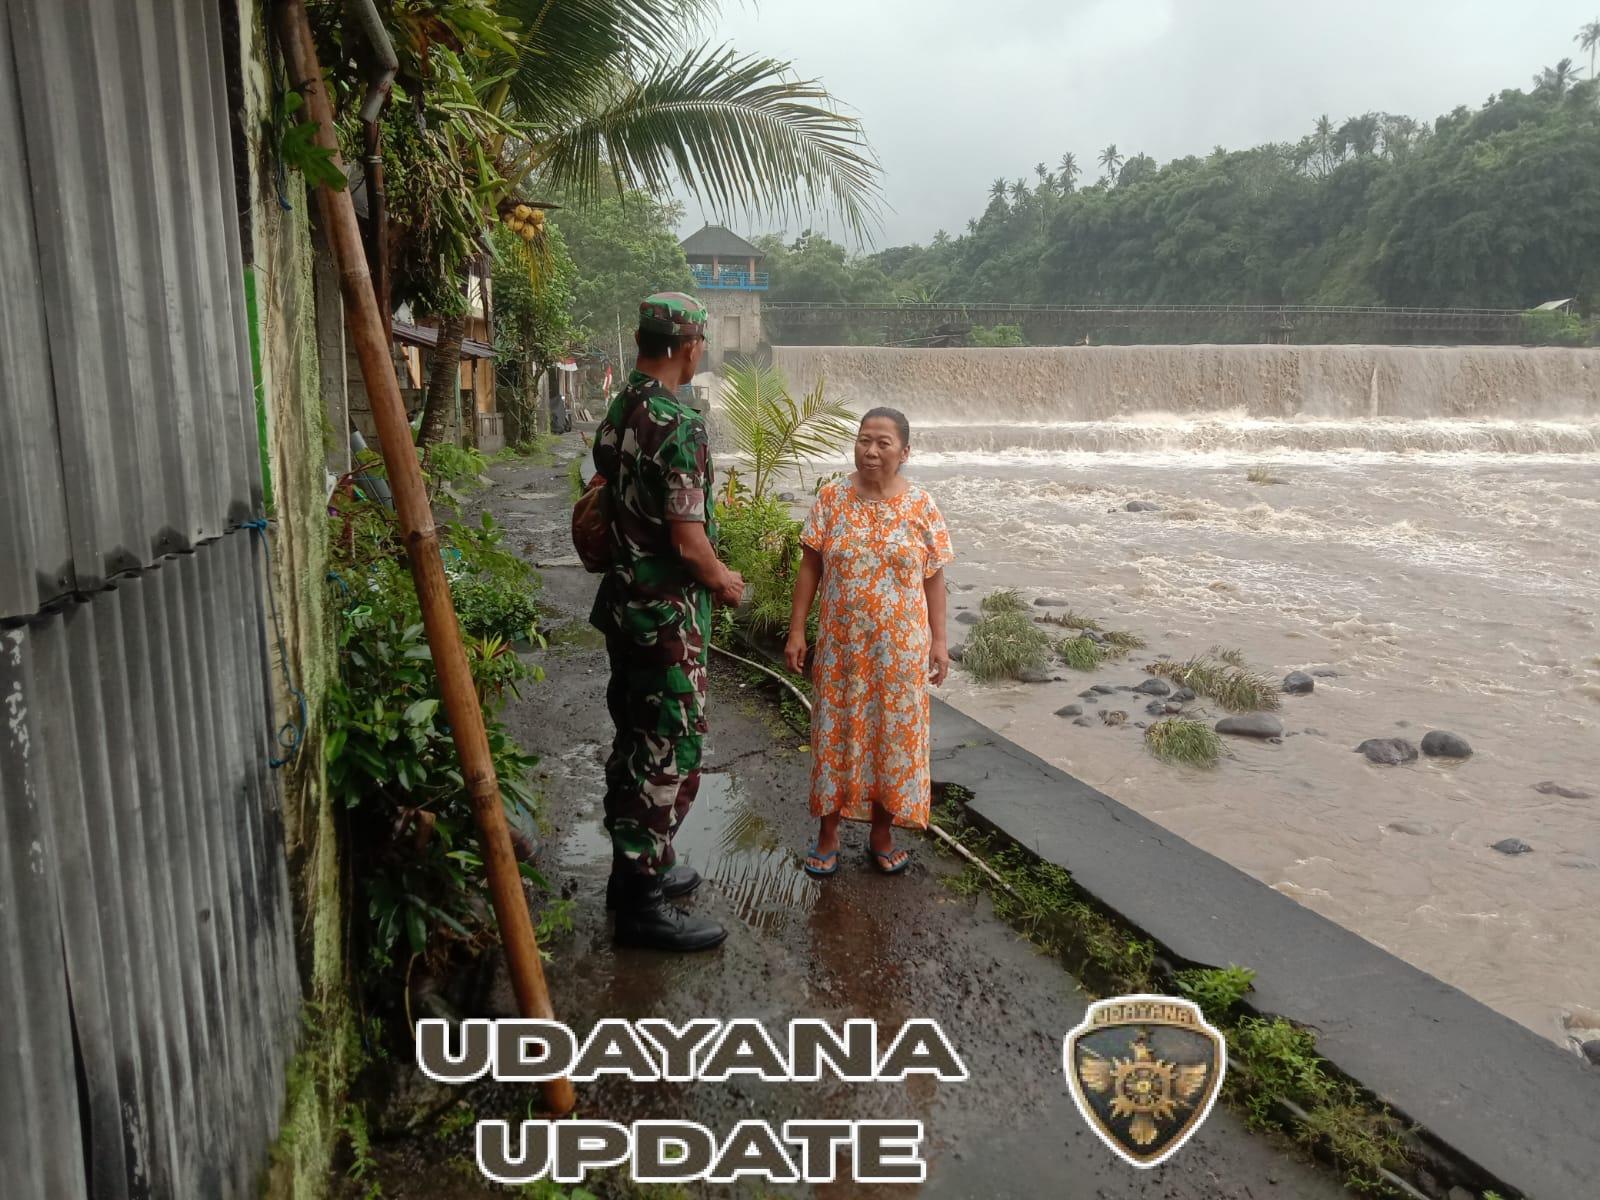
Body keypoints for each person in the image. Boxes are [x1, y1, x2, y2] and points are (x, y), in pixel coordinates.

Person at [590, 293, 745, 950]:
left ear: (639, 339)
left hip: (626, 607)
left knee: (635, 739)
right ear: (689, 349)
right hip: (667, 621)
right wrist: (725, 581)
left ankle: (638, 874)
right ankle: (642, 908)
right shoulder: (677, 422)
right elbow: (687, 538)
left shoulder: (620, 407)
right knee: (665, 752)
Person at [784, 408, 954, 877]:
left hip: (899, 653)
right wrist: (798, 630)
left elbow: (934, 577)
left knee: (892, 741)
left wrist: (940, 643)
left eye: (883, 442)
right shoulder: (832, 499)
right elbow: (810, 568)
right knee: (835, 736)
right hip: (842, 649)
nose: (871, 450)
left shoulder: (921, 505)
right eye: (863, 440)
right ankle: (828, 835)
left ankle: (882, 833)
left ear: (904, 452)